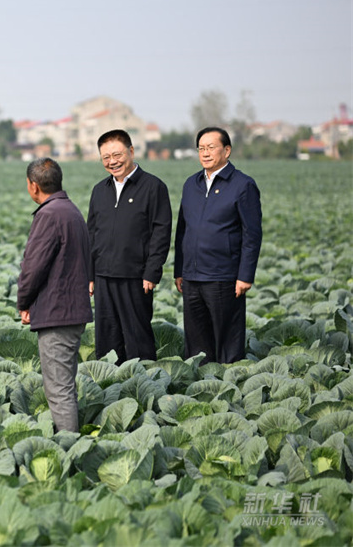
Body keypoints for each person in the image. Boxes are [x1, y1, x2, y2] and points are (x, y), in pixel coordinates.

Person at [174, 127, 262, 364]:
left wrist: (245, 276)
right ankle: (200, 384)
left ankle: (230, 383)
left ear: (227, 150)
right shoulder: (191, 184)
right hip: (192, 277)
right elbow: (182, 229)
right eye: (201, 148)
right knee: (196, 341)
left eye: (211, 147)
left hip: (223, 276)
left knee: (227, 340)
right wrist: (179, 270)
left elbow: (252, 234)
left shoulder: (243, 185)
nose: (205, 153)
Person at [18, 158, 92, 433]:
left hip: (56, 313)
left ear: (33, 186)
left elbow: (33, 267)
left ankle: (68, 450)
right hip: (73, 311)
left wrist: (24, 302)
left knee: (58, 390)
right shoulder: (71, 210)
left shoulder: (48, 215)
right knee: (65, 385)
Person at [87, 129, 172, 364]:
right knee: (106, 337)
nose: (112, 162)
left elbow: (161, 233)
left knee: (137, 337)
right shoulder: (99, 190)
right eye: (106, 157)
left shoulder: (153, 187)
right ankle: (109, 387)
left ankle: (143, 384)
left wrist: (152, 271)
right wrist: (90, 274)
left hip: (136, 276)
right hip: (103, 275)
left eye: (117, 154)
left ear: (131, 151)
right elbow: (91, 234)